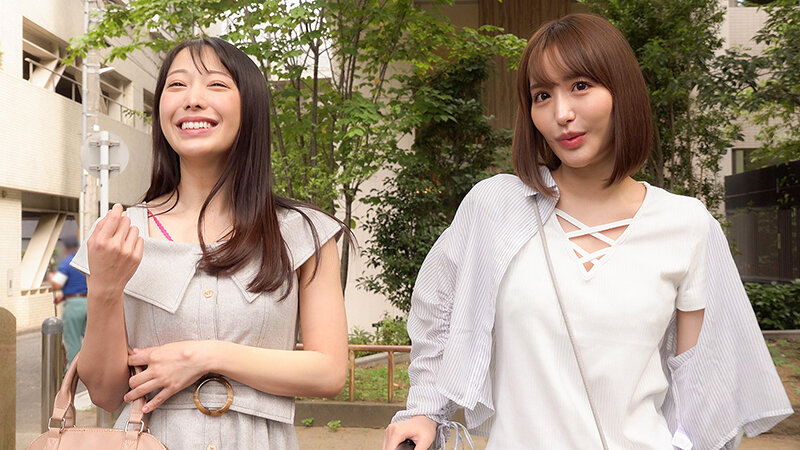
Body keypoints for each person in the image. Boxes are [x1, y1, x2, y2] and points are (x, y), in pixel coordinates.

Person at [383, 14, 792, 450]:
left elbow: (702, 390)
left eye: (580, 86)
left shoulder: (686, 224)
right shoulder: (496, 207)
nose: (562, 114)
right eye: (542, 95)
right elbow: (440, 316)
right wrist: (424, 410)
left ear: (622, 92)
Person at [70, 37, 350, 449]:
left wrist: (205, 356)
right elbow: (105, 393)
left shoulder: (303, 232)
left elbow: (329, 372)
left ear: (250, 108)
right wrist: (106, 289)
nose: (193, 99)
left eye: (216, 84)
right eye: (177, 85)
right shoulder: (120, 233)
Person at [50, 236, 88, 369]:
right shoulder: (85, 262)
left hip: (74, 306)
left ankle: (73, 370)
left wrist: (51, 277)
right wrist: (63, 296)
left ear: (65, 248)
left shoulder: (68, 263)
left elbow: (57, 284)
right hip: (89, 303)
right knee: (90, 338)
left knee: (72, 338)